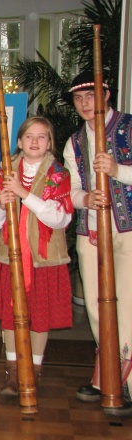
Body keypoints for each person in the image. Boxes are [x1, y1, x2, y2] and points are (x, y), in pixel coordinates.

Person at [0, 117, 74, 395]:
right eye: (29, 136)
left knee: (39, 315)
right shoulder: (5, 171)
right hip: (10, 256)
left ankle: (33, 371)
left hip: (43, 259)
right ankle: (13, 373)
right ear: (19, 142)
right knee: (11, 314)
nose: (35, 142)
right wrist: (2, 205)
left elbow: (61, 218)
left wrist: (24, 194)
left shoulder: (58, 173)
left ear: (50, 143)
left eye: (41, 136)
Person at [63, 71, 132, 415]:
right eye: (79, 98)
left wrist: (119, 171)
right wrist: (85, 199)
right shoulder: (75, 141)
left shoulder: (129, 128)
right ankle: (107, 376)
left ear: (106, 95)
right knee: (94, 304)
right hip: (90, 233)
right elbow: (71, 189)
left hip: (128, 230)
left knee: (127, 307)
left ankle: (126, 381)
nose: (85, 103)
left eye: (91, 95)